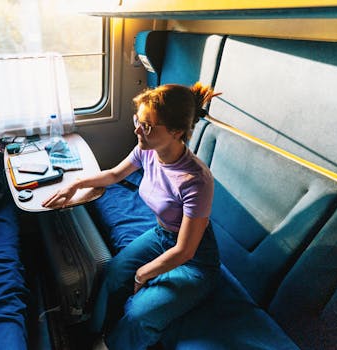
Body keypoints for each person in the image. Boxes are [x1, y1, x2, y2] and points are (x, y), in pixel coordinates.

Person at [42, 83, 221, 350]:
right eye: (138, 120)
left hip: (195, 260)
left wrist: (142, 274)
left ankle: (112, 345)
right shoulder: (147, 150)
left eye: (147, 126)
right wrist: (75, 185)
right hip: (161, 235)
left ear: (176, 132)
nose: (137, 129)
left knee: (139, 313)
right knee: (113, 273)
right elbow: (114, 174)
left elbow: (185, 251)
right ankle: (92, 329)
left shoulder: (195, 180)